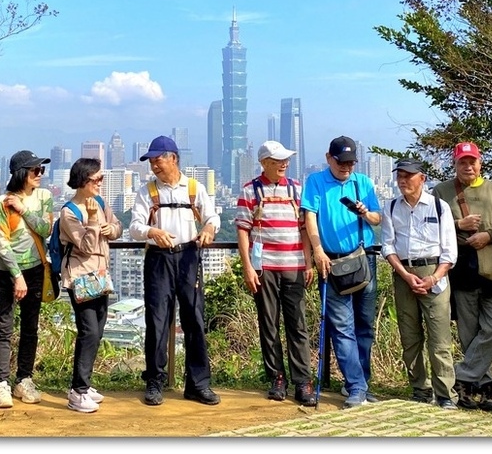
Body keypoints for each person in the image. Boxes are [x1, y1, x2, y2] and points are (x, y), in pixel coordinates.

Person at [129, 135, 222, 406]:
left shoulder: (194, 188)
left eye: (159, 160)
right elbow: (135, 227)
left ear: (174, 158)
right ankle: (155, 381)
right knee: (157, 320)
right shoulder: (147, 191)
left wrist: (208, 228)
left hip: (189, 256)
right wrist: (152, 231)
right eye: (152, 161)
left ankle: (198, 383)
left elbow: (212, 216)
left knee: (194, 319)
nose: (155, 166)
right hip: (158, 258)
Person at [300, 135, 382, 408]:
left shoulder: (364, 183)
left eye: (350, 163)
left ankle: (363, 382)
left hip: (363, 259)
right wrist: (317, 251)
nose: (346, 168)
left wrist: (364, 213)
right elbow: (309, 217)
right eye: (341, 162)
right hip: (331, 263)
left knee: (364, 325)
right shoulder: (316, 182)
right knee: (342, 326)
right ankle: (355, 385)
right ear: (328, 158)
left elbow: (377, 218)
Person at [234, 141, 317, 406]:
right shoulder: (250, 191)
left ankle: (302, 380)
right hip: (265, 267)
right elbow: (242, 230)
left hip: (293, 265)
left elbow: (305, 227)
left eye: (286, 160)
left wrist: (308, 261)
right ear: (264, 162)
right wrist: (247, 266)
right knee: (268, 323)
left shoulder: (296, 189)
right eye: (278, 160)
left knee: (298, 324)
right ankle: (276, 377)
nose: (284, 164)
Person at [432, 142, 492, 411]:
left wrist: (488, 235)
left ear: (480, 163)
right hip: (461, 270)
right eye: (462, 162)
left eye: (472, 161)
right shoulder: (442, 191)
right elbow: (430, 228)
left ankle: (461, 376)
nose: (468, 167)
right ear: (455, 164)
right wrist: (458, 226)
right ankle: (486, 388)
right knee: (468, 333)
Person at [380, 159, 458, 409]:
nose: (403, 180)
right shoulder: (391, 207)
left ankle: (445, 394)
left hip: (434, 273)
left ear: (422, 178)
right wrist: (405, 274)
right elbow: (388, 246)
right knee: (409, 336)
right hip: (404, 273)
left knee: (439, 338)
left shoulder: (439, 206)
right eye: (400, 176)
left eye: (408, 176)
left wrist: (434, 277)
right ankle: (419, 389)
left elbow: (450, 251)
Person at [0, 150, 54, 408]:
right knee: (4, 327)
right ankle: (1, 382)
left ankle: (24, 378)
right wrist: (17, 276)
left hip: (36, 268)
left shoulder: (45, 197)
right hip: (8, 271)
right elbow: (1, 241)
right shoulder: (1, 203)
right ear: (21, 174)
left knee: (30, 327)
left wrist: (24, 210)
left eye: (41, 170)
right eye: (34, 170)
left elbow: (46, 229)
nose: (39, 175)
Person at [58, 158, 122, 413]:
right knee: (89, 331)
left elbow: (118, 228)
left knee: (99, 327)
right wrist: (94, 221)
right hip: (81, 277)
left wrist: (110, 228)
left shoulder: (102, 204)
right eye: (96, 179)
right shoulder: (69, 212)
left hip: (101, 275)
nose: (100, 184)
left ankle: (86, 383)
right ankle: (78, 390)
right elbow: (85, 246)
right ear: (83, 180)